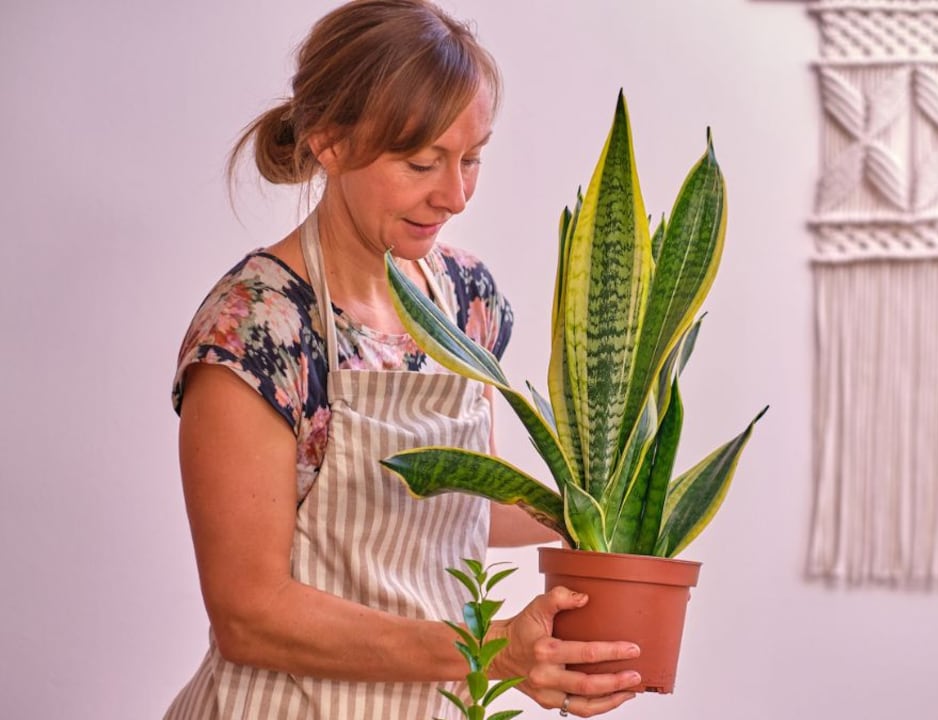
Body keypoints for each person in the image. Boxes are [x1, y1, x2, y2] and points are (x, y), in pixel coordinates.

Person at [164, 1, 640, 717]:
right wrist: (487, 651)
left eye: (471, 158)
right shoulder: (259, 328)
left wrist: (609, 520)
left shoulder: (464, 298)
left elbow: (463, 506)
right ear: (328, 141)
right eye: (421, 162)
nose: (453, 196)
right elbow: (248, 615)